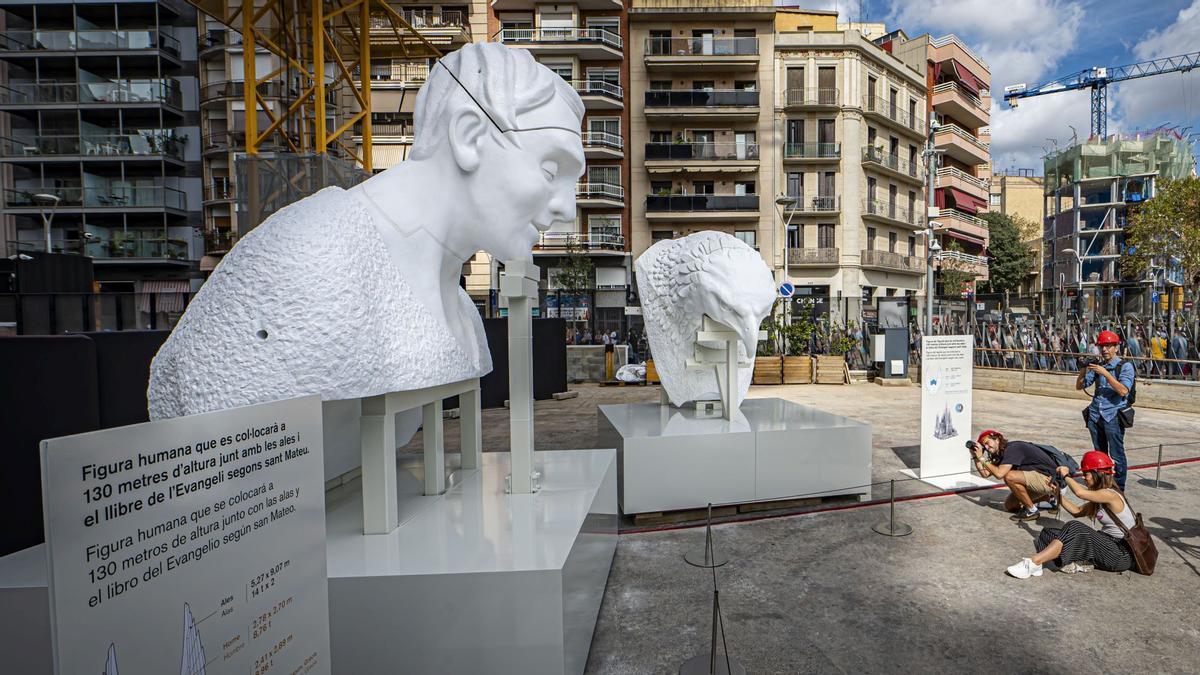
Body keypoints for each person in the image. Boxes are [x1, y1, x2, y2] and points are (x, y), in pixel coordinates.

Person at [1005, 451, 1135, 579]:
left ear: (1098, 474)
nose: (1083, 477)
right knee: (1047, 533)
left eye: (1086, 474)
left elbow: (1080, 493)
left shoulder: (1111, 494)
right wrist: (1057, 494)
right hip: (1106, 544)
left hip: (1120, 553)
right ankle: (1073, 564)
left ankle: (1034, 563)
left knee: (1075, 527)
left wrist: (1066, 475)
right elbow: (1076, 512)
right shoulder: (1100, 497)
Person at [1075, 329, 1134, 490]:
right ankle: (1102, 483)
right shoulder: (1099, 367)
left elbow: (1123, 391)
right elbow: (1080, 386)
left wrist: (1106, 374)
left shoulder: (1125, 366)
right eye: (1102, 346)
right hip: (1095, 415)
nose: (1105, 350)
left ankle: (1119, 487)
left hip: (1113, 415)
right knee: (1099, 453)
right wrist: (1083, 368)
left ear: (1116, 347)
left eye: (1108, 346)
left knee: (1117, 454)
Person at [969, 430, 1059, 521]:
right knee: (1010, 506)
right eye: (984, 446)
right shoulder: (999, 453)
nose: (987, 447)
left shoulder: (1012, 449)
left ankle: (1032, 510)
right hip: (1038, 480)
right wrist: (976, 457)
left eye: (987, 443)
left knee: (1009, 476)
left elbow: (999, 474)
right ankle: (1048, 498)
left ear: (997, 439)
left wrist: (981, 457)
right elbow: (985, 474)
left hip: (1050, 481)